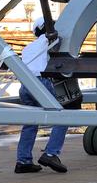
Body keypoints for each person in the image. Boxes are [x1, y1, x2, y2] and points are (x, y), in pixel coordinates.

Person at [14, 16, 71, 174]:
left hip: (26, 85)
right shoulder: (49, 40)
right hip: (42, 83)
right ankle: (51, 153)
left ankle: (23, 161)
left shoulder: (28, 48)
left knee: (30, 123)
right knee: (63, 118)